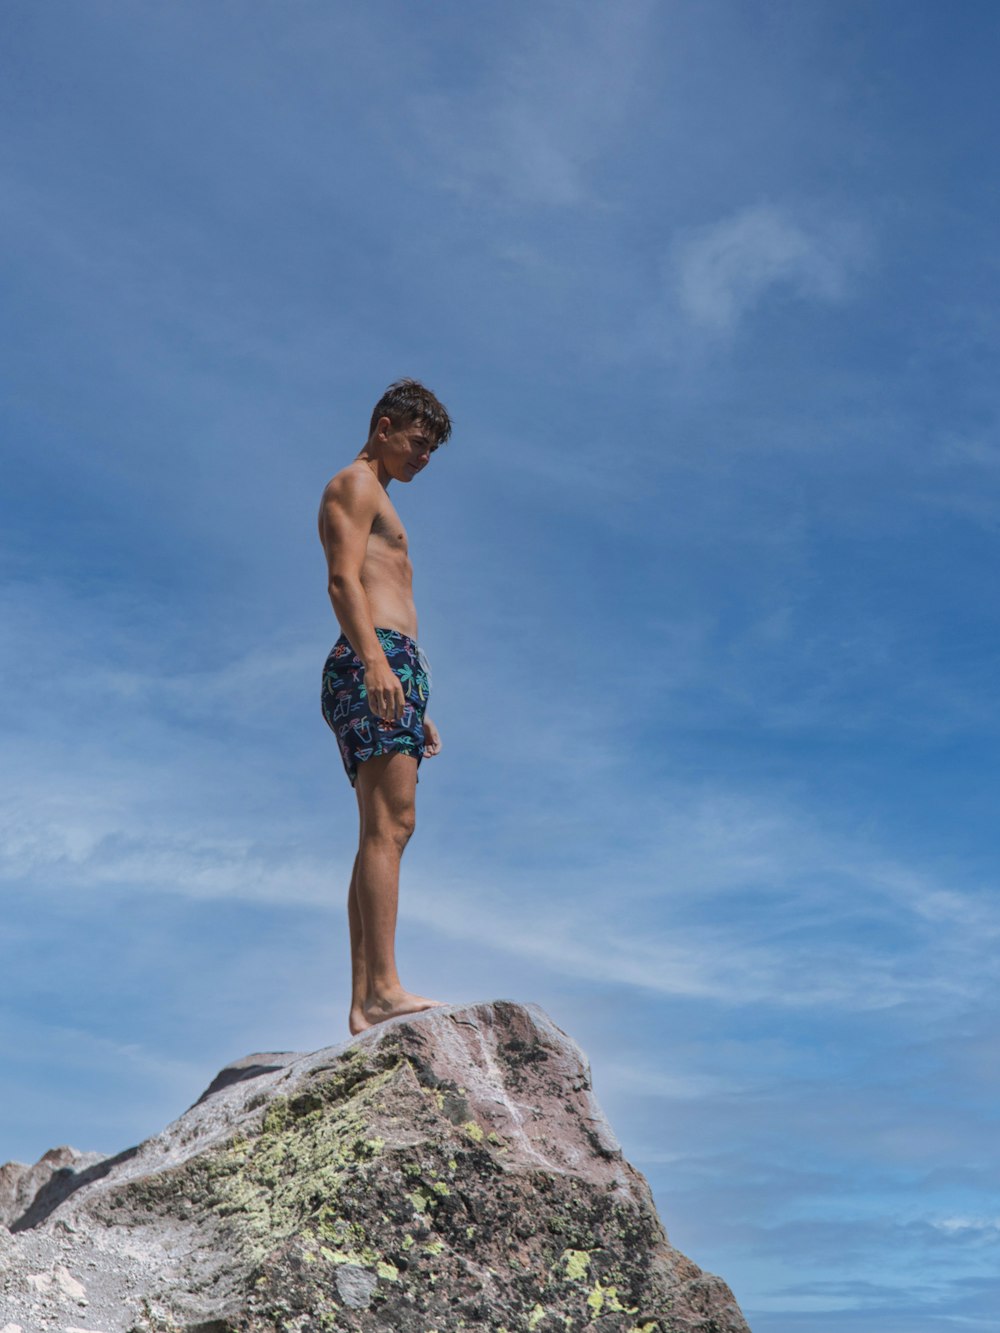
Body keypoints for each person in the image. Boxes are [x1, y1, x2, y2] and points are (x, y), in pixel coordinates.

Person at [318, 379, 452, 1034]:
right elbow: (344, 579)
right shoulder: (355, 484)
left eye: (430, 451)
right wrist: (374, 661)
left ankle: (368, 995)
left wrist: (411, 692)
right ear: (384, 425)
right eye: (418, 443)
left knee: (385, 825)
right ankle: (380, 989)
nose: (423, 458)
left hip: (394, 662)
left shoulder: (377, 496)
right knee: (390, 823)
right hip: (375, 655)